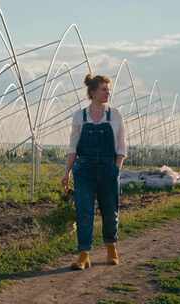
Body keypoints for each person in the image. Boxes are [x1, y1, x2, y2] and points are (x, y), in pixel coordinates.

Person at [61, 74, 127, 270]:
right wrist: (67, 173)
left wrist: (116, 168)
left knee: (110, 209)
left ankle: (111, 249)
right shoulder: (79, 116)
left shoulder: (114, 115)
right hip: (85, 169)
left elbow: (122, 145)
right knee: (84, 211)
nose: (108, 92)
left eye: (108, 89)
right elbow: (73, 147)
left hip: (108, 167)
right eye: (104, 89)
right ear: (92, 93)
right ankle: (84, 254)